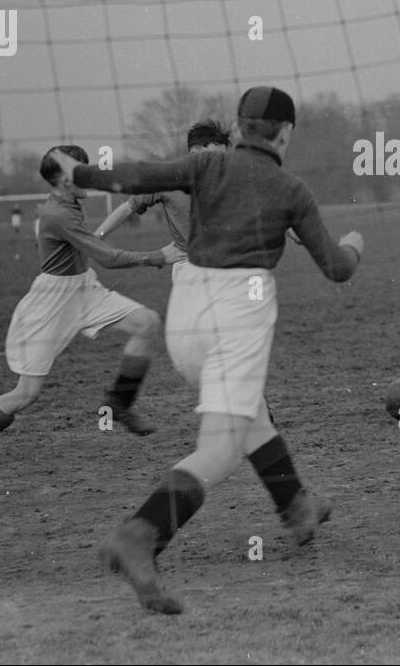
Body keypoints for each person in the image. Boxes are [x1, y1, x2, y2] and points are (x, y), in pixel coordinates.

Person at [48, 86, 364, 615]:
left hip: (187, 314)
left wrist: (75, 174)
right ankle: (140, 534)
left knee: (247, 413)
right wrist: (355, 245)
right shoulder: (291, 188)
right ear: (286, 133)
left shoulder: (205, 167)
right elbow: (336, 267)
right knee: (220, 446)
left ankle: (298, 507)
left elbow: (135, 176)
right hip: (238, 315)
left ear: (238, 129)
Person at [0, 146, 172, 471]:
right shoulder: (58, 215)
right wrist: (156, 256)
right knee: (26, 393)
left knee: (146, 323)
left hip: (84, 287)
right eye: (82, 170)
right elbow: (106, 257)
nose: (88, 175)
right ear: (65, 178)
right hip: (51, 301)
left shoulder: (68, 204)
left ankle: (119, 403)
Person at [94, 119, 231, 260]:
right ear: (193, 154)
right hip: (189, 266)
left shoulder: (232, 181)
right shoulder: (168, 179)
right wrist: (97, 237)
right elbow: (128, 208)